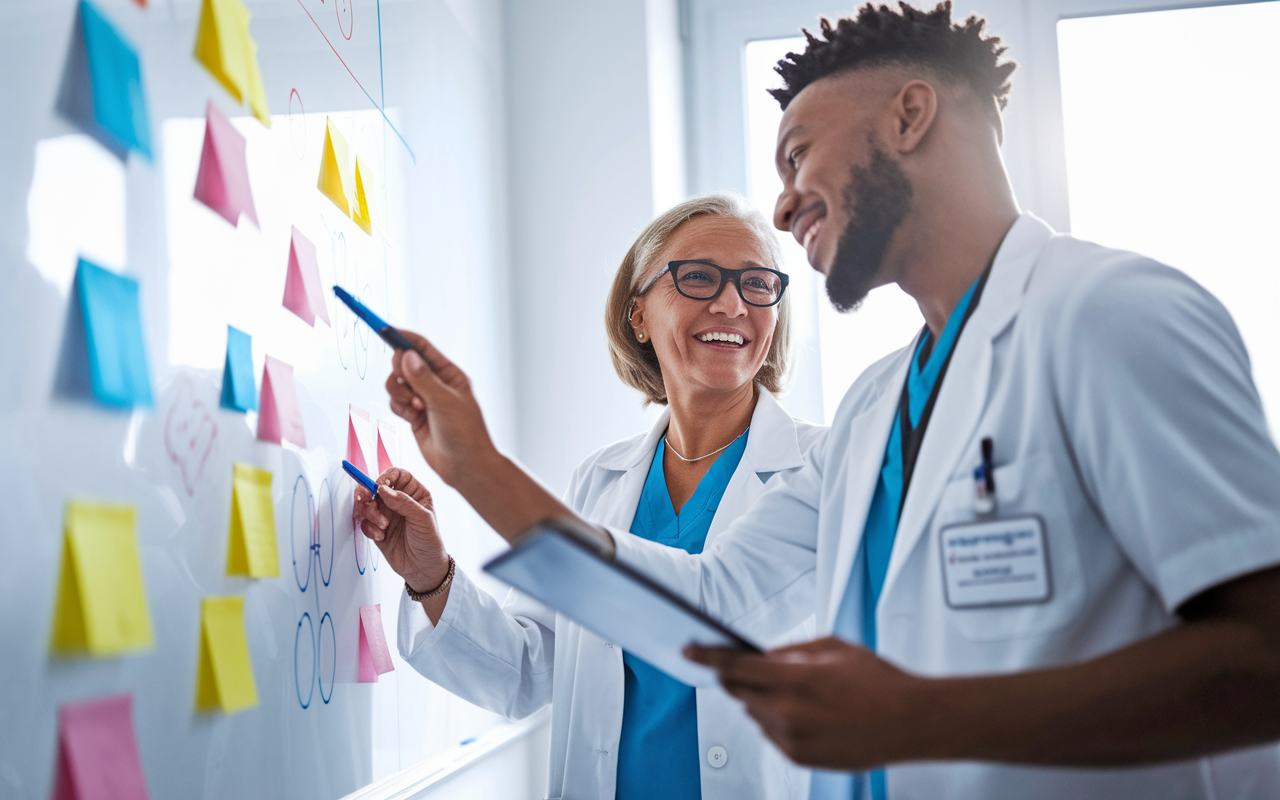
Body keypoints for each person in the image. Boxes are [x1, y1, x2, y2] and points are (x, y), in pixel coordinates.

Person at [377, 3, 1280, 798]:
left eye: (799, 152)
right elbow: (712, 600)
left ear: (911, 115)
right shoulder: (874, 409)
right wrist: (474, 469)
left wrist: (925, 717)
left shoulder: (1113, 315)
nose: (781, 205)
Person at [356, 192, 824, 800]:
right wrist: (428, 575)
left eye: (758, 284)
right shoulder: (603, 479)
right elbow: (528, 670)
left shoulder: (826, 468)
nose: (732, 302)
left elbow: (709, 614)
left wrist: (477, 466)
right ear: (638, 314)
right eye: (699, 277)